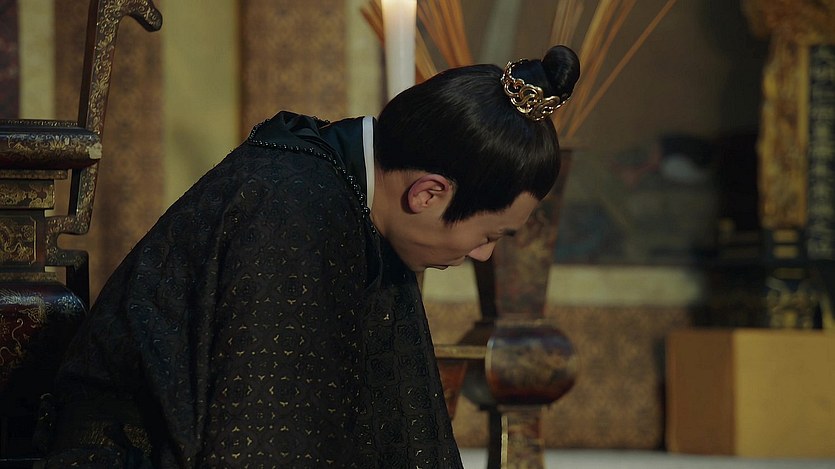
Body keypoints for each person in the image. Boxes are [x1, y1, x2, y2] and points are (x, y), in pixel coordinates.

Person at [36, 44, 580, 468]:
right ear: (428, 193)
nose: (483, 254)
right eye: (491, 234)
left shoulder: (339, 189)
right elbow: (263, 439)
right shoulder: (295, 209)